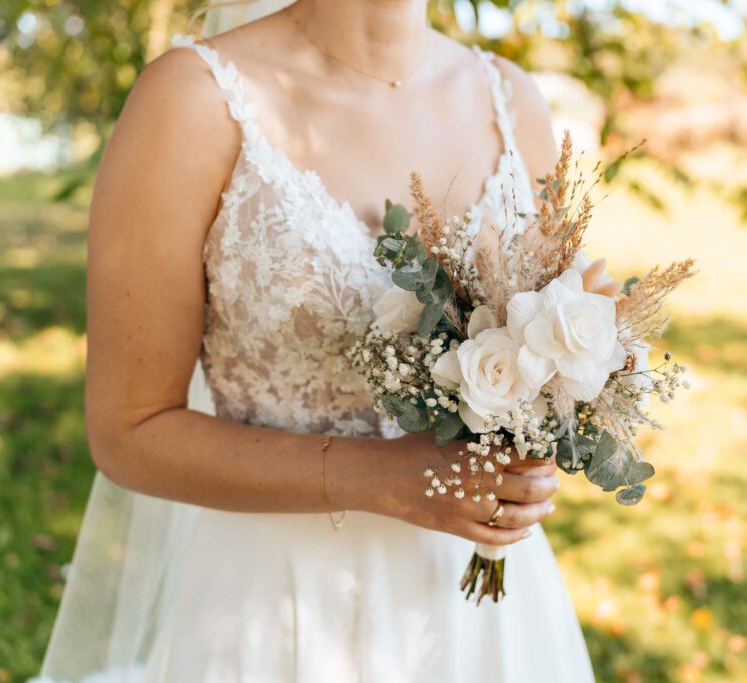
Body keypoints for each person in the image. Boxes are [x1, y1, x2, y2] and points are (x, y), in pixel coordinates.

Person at [34, 0, 597, 680]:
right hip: (274, 609)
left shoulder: (513, 100)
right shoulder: (193, 99)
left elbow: (549, 349)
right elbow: (129, 428)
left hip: (481, 613)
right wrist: (383, 478)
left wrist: (545, 439)